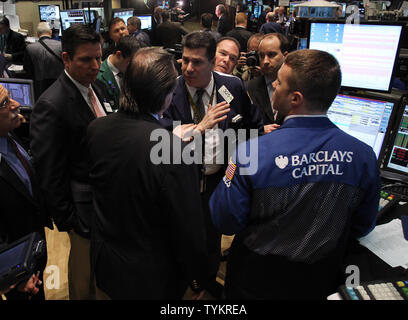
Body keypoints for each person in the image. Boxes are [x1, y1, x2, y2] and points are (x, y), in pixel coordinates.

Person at [209, 49, 380, 300]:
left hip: (255, 281)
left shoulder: (252, 152)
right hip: (320, 281)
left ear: (295, 98)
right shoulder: (364, 156)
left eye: (279, 82)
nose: (274, 85)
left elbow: (225, 220)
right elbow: (363, 225)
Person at [87, 47, 208, 300]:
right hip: (152, 278)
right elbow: (188, 226)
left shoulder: (96, 129)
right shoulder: (174, 150)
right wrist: (197, 279)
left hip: (108, 265)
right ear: (165, 95)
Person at [160, 31, 263, 299]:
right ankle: (183, 283)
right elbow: (159, 142)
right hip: (184, 182)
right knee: (181, 238)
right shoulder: (169, 89)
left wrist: (259, 140)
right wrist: (199, 127)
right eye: (184, 61)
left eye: (197, 62)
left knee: (212, 238)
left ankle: (204, 284)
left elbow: (250, 124)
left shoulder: (233, 87)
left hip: (219, 180)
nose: (188, 68)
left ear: (210, 61)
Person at [30, 24, 111, 300]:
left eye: (99, 58)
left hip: (105, 202)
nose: (95, 65)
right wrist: (68, 220)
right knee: (83, 278)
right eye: (86, 59)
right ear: (66, 59)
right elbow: (49, 171)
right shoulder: (51, 104)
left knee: (102, 272)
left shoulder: (97, 86)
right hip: (82, 211)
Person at [0, 84, 52, 300]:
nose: (16, 104)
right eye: (4, 103)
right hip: (15, 262)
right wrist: (14, 276)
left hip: (33, 242)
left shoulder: (8, 136)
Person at [246, 33, 289, 133]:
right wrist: (259, 131)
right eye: (261, 56)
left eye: (271, 55)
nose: (265, 61)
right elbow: (239, 130)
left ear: (285, 56)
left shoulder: (297, 87)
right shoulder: (249, 88)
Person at [97, 35, 142, 111]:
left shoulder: (130, 69)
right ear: (118, 55)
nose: (133, 67)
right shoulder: (98, 77)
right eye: (130, 62)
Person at [23, 22, 64, 99]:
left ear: (37, 34)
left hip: (40, 87)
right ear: (50, 32)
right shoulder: (61, 45)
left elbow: (27, 68)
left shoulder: (30, 48)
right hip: (60, 85)